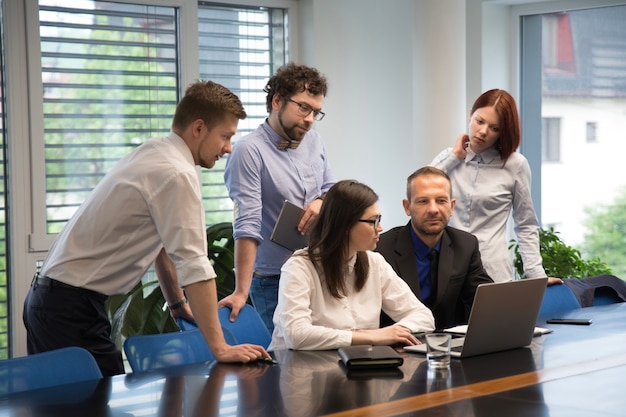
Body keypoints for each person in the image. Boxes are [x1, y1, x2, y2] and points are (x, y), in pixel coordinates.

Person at [23, 80, 270, 377]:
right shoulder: (176, 173)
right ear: (199, 128)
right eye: (225, 136)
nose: (228, 148)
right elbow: (194, 263)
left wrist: (177, 304)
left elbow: (164, 244)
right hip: (69, 308)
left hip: (54, 301)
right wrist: (220, 348)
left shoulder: (155, 152)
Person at [221, 63, 335, 333]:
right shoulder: (248, 151)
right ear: (277, 101)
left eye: (316, 112)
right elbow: (246, 224)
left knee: (322, 359)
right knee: (283, 365)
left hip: (318, 272)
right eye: (303, 108)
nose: (309, 119)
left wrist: (321, 201)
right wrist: (240, 291)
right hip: (275, 279)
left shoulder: (314, 141)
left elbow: (331, 187)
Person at [269, 180, 435, 351]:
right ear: (344, 225)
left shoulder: (374, 263)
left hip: (354, 366)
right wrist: (369, 337)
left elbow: (424, 317)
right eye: (373, 221)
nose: (380, 228)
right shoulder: (299, 267)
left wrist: (394, 332)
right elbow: (297, 335)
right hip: (296, 370)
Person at [430, 89, 562, 284]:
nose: (483, 131)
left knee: (494, 315)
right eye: (479, 121)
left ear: (503, 132)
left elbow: (526, 224)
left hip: (492, 270)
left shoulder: (515, 165)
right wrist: (454, 158)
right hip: (446, 269)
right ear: (470, 115)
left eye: (494, 128)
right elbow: (419, 191)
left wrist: (536, 277)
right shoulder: (448, 158)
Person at [376, 167, 493, 329]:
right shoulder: (380, 250)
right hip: (397, 346)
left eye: (441, 200)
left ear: (452, 206)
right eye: (423, 201)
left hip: (449, 346)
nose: (433, 209)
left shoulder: (466, 245)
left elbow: (486, 300)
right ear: (407, 207)